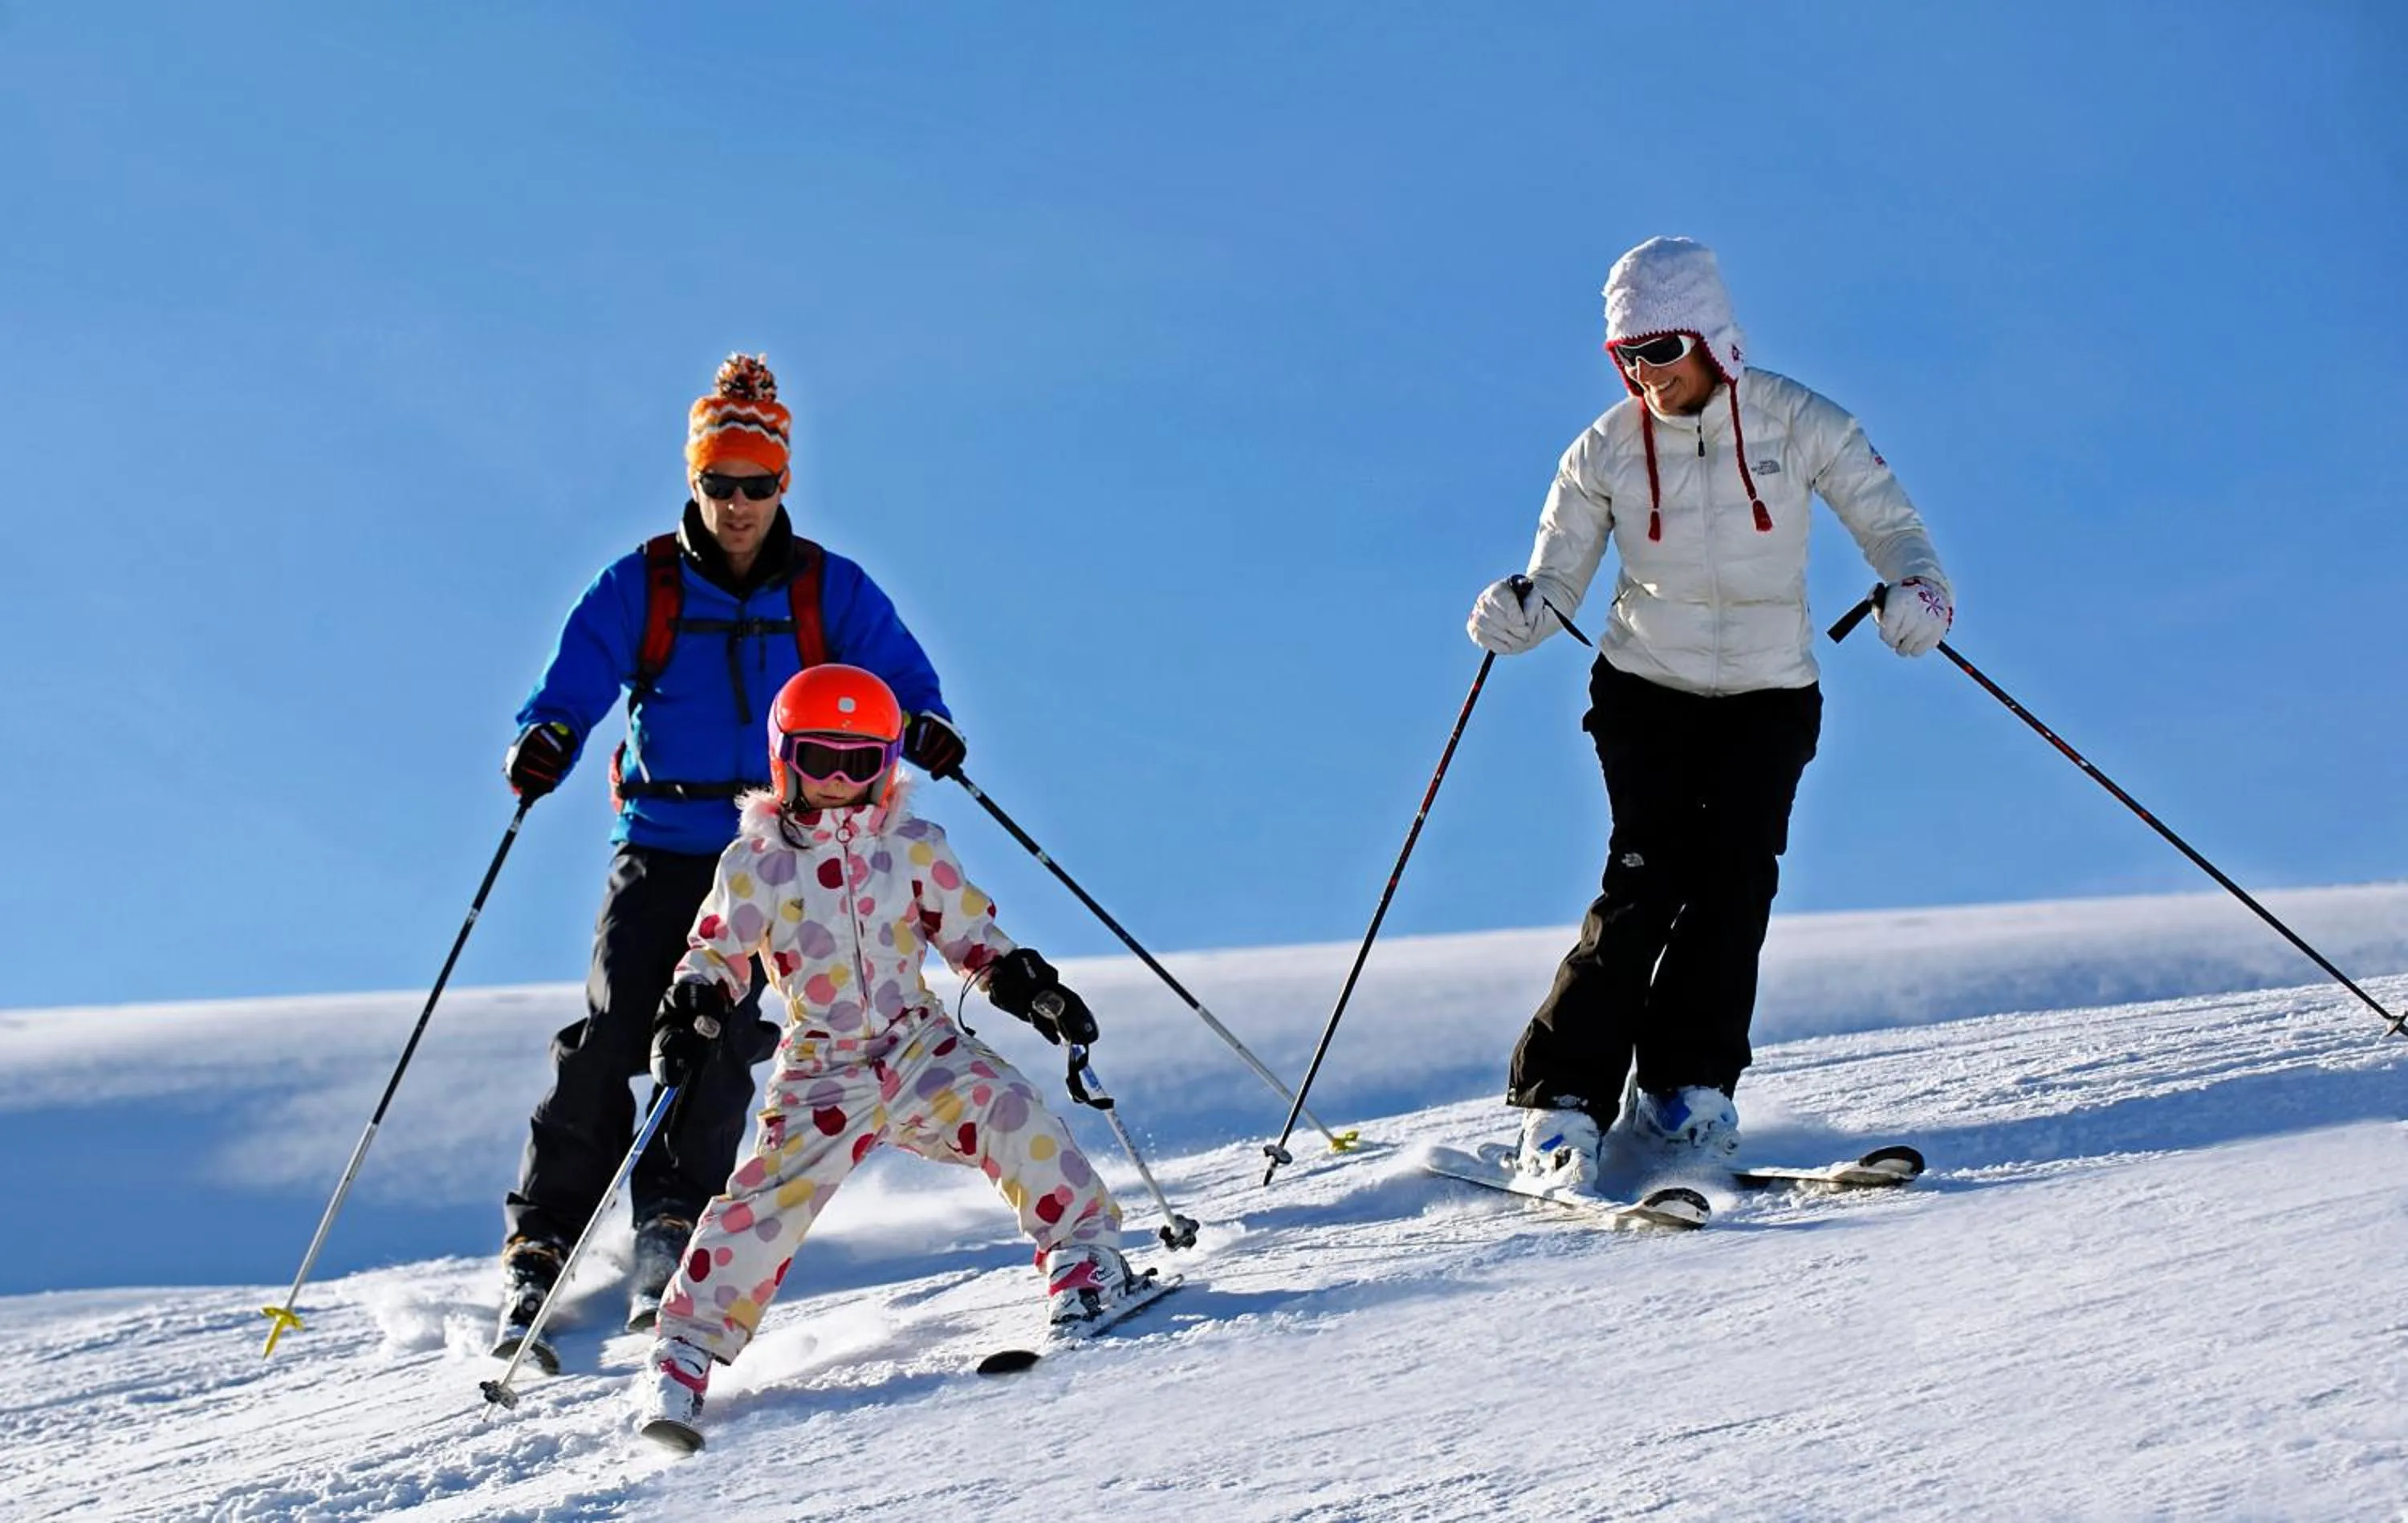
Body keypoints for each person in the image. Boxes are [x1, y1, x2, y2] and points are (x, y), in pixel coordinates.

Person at [496, 354, 972, 1354]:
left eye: (757, 485)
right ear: (695, 482)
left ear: (783, 483)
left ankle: (674, 1222)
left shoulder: (825, 589)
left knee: (713, 1032)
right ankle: (542, 1234)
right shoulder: (646, 583)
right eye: (720, 484)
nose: (740, 504)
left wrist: (923, 719)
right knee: (618, 1025)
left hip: (773, 855)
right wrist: (547, 735)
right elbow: (577, 673)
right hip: (663, 844)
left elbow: (896, 670)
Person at [1466, 237, 1954, 1185]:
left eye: (1661, 351)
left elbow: (1889, 521)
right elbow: (1556, 574)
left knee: (1735, 887)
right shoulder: (1603, 451)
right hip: (1647, 687)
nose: (1644, 375)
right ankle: (1561, 1104)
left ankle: (1687, 1091)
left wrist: (1919, 588)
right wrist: (1520, 611)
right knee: (1646, 880)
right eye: (1626, 358)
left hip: (1770, 694)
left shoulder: (1798, 420)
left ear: (1716, 341)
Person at [633, 664, 1132, 1448]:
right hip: (822, 1063)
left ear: (887, 764)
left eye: (859, 762)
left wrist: (1021, 980)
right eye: (819, 758)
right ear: (783, 760)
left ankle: (1086, 1262)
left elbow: (969, 934)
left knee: (1011, 1111)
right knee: (763, 1197)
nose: (837, 778)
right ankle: (685, 1354)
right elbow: (717, 948)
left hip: (917, 1042)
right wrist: (695, 999)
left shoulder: (913, 846)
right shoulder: (757, 860)